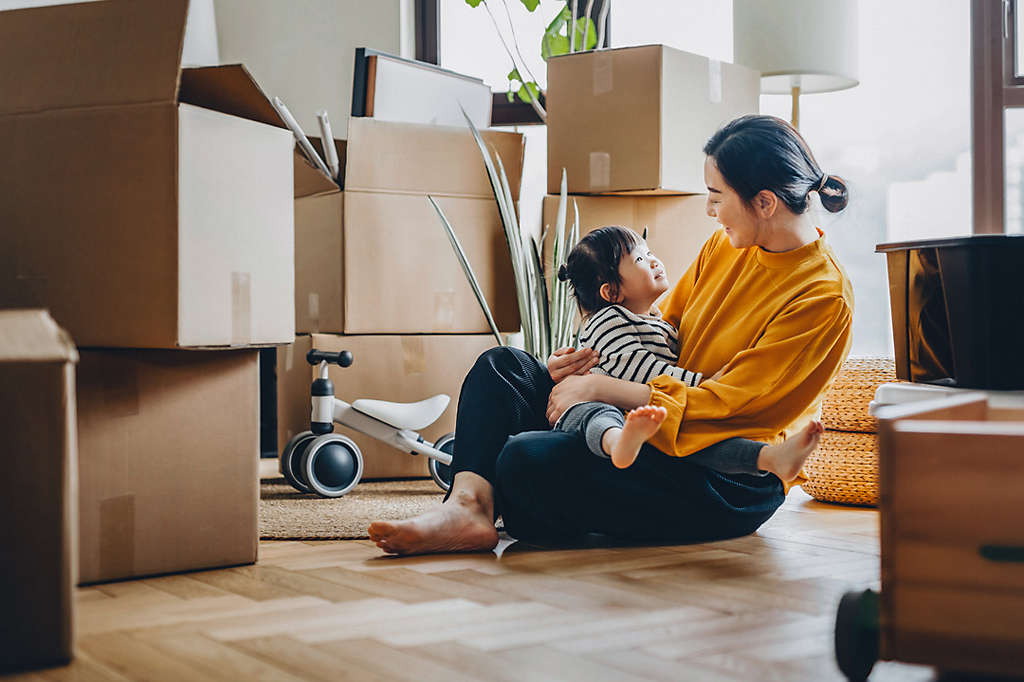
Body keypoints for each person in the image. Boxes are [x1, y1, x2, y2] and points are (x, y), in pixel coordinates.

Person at [368, 114, 853, 556]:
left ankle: (521, 501)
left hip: (724, 472)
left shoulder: (821, 298)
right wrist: (583, 365)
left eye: (716, 196)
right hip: (646, 425)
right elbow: (661, 331)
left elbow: (727, 405)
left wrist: (602, 388)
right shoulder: (728, 246)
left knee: (525, 459)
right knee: (503, 366)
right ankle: (468, 508)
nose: (710, 210)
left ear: (764, 202)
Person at [552, 225, 824, 475]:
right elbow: (643, 370)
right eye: (640, 259)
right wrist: (701, 383)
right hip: (595, 405)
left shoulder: (654, 319)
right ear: (611, 293)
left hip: (640, 411)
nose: (653, 261)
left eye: (649, 252)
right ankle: (618, 443)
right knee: (598, 417)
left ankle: (769, 458)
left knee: (696, 440)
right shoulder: (608, 321)